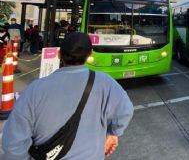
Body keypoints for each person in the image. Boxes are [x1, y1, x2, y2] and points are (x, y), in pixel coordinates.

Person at [2, 32, 134, 159]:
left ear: (59, 55)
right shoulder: (105, 82)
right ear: (90, 55)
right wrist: (113, 133)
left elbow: (13, 143)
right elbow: (125, 110)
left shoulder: (34, 89)